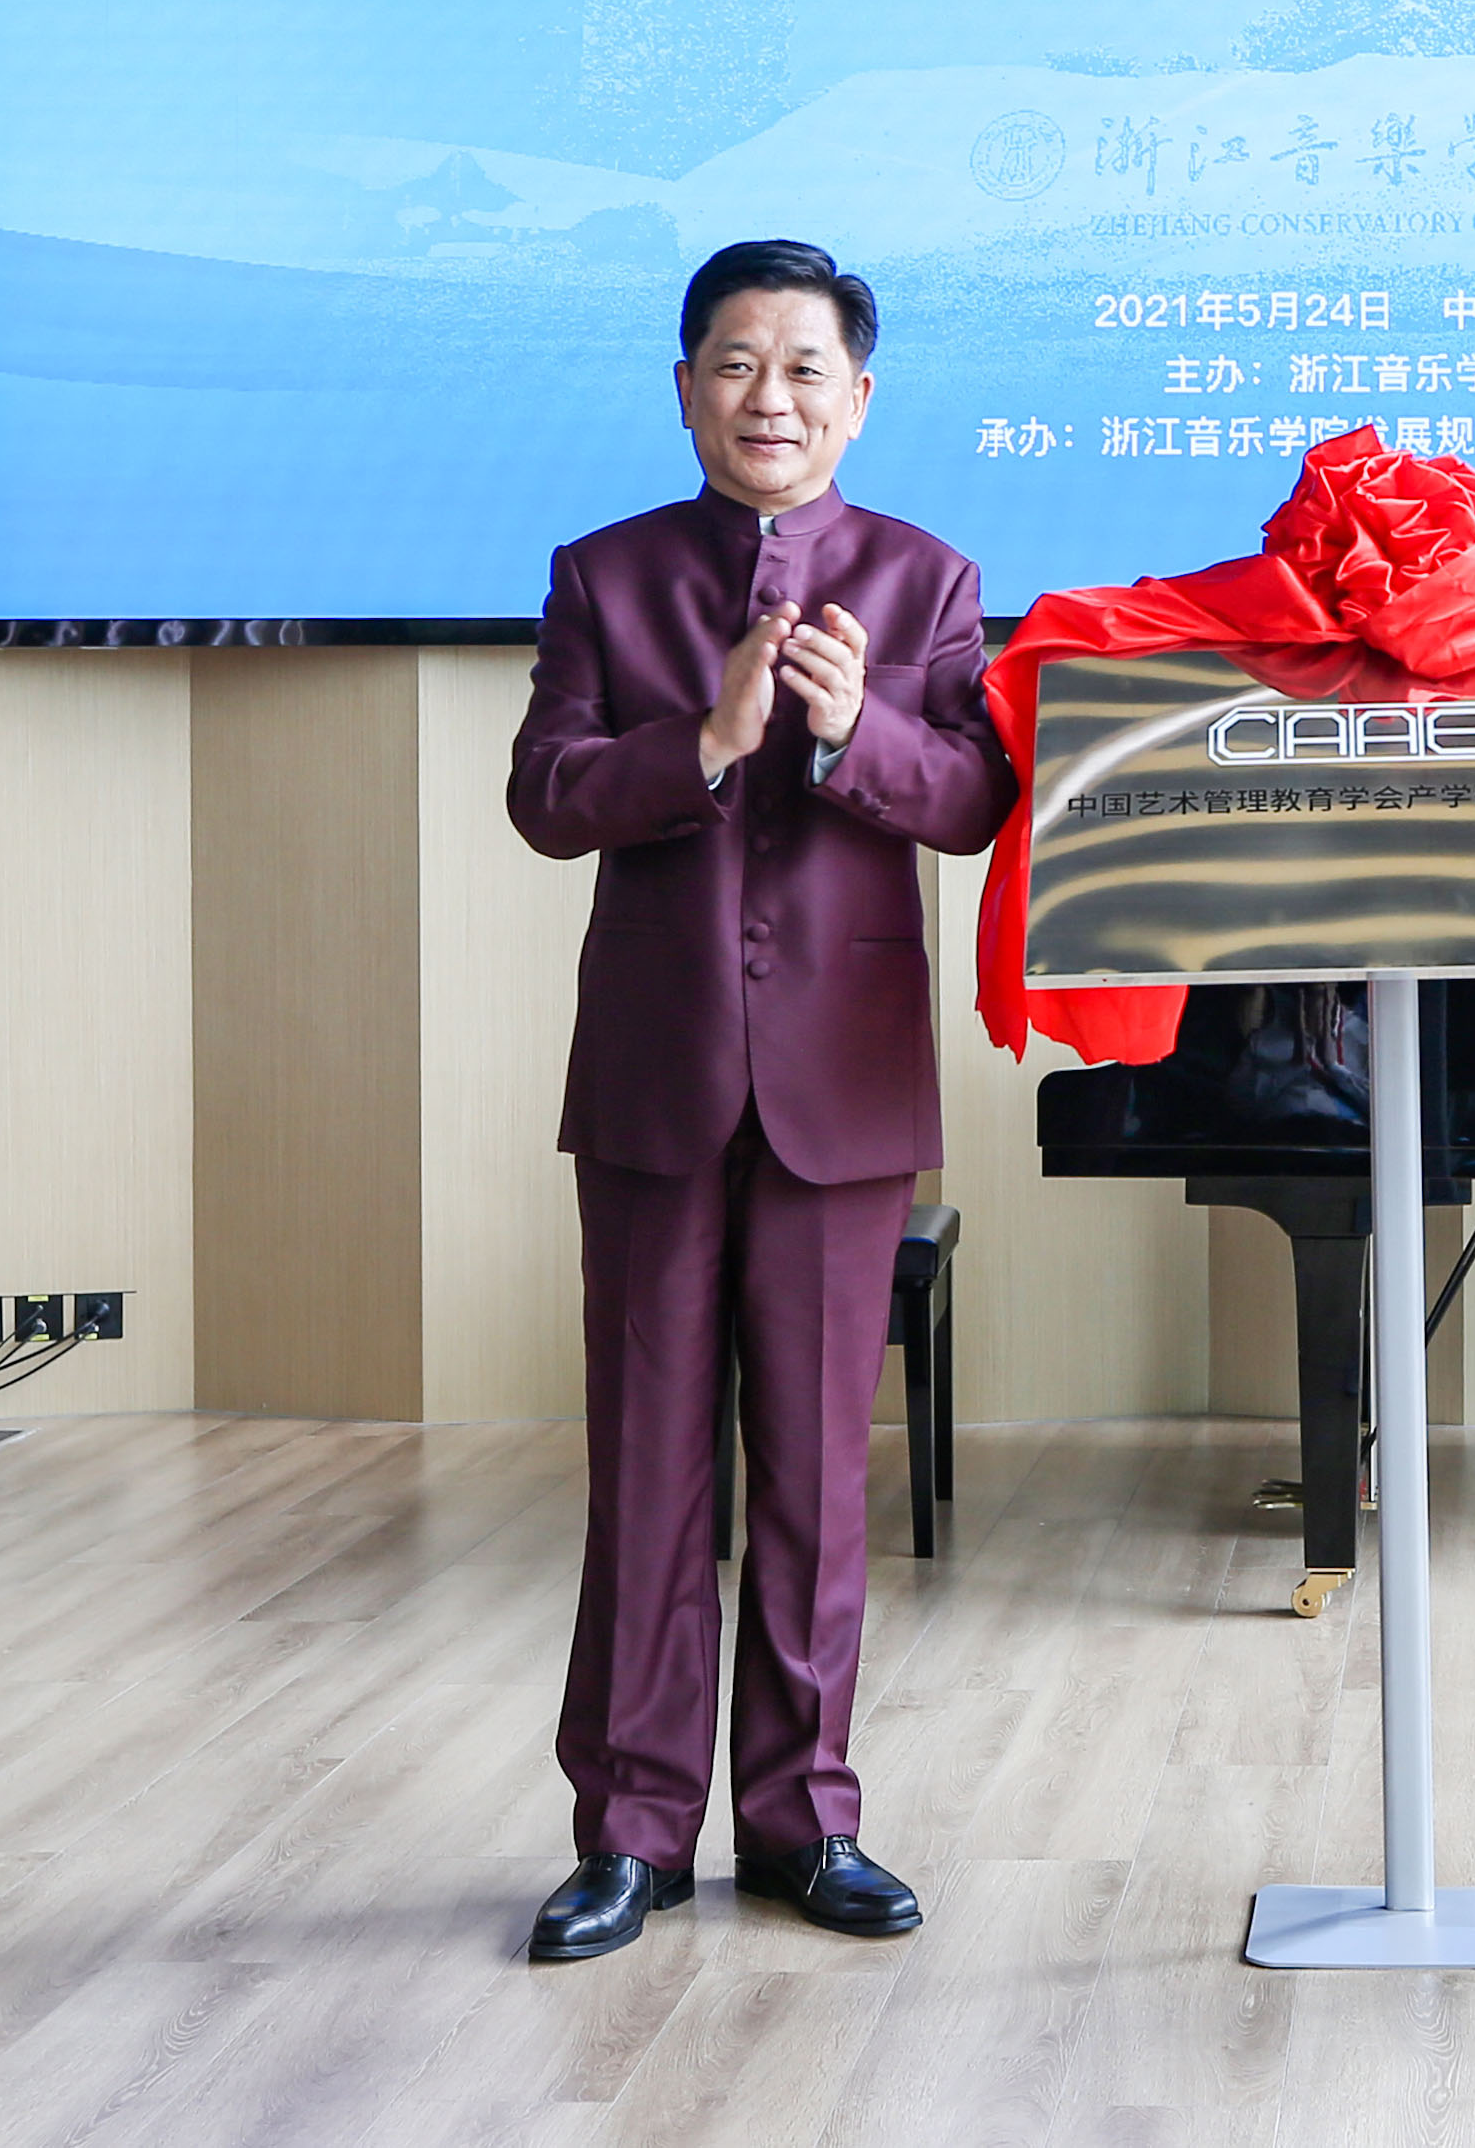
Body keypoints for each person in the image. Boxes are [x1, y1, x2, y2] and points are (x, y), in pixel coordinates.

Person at [508, 238, 1013, 1962]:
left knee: (812, 1479)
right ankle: (630, 1831)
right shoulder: (606, 574)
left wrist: (856, 727)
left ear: (858, 398)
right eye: (735, 362)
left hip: (839, 1086)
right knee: (646, 1468)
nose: (769, 397)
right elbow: (546, 797)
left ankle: (805, 1821)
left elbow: (970, 800)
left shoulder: (926, 578)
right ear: (684, 390)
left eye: (804, 368)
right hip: (653, 1080)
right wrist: (709, 740)